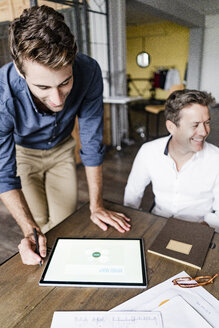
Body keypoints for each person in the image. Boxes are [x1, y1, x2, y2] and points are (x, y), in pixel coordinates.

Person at [0, 5, 130, 266]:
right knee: (38, 228)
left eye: (64, 83)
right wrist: (28, 230)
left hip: (61, 150)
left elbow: (92, 143)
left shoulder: (89, 71)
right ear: (19, 68)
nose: (57, 99)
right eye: (42, 87)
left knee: (64, 222)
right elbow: (3, 173)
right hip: (23, 154)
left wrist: (97, 205)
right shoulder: (2, 94)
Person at [124, 89, 219, 232]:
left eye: (207, 123)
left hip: (200, 228)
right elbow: (132, 196)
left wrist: (196, 233)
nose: (204, 132)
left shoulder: (216, 159)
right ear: (171, 127)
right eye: (195, 125)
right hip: (157, 223)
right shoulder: (148, 151)